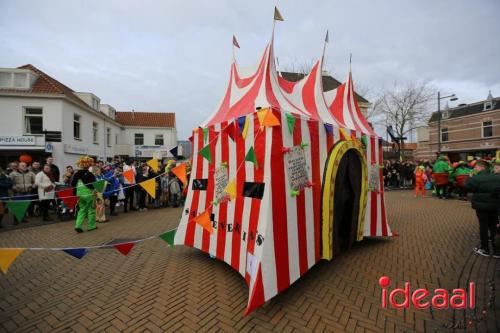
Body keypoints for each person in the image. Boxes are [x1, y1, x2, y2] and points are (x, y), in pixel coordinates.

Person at [464, 160, 500, 258]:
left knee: (483, 226)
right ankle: (497, 250)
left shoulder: (476, 178)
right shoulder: (497, 177)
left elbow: (467, 188)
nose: (475, 169)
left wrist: (470, 178)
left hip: (481, 206)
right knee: (494, 226)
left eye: (476, 167)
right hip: (495, 206)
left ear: (482, 168)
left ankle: (485, 249)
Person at [71, 156, 97, 233]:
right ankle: (91, 226)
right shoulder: (90, 174)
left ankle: (78, 225)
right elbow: (93, 185)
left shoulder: (76, 174)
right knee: (91, 210)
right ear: (88, 164)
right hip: (89, 194)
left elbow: (72, 184)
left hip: (79, 194)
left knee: (81, 210)